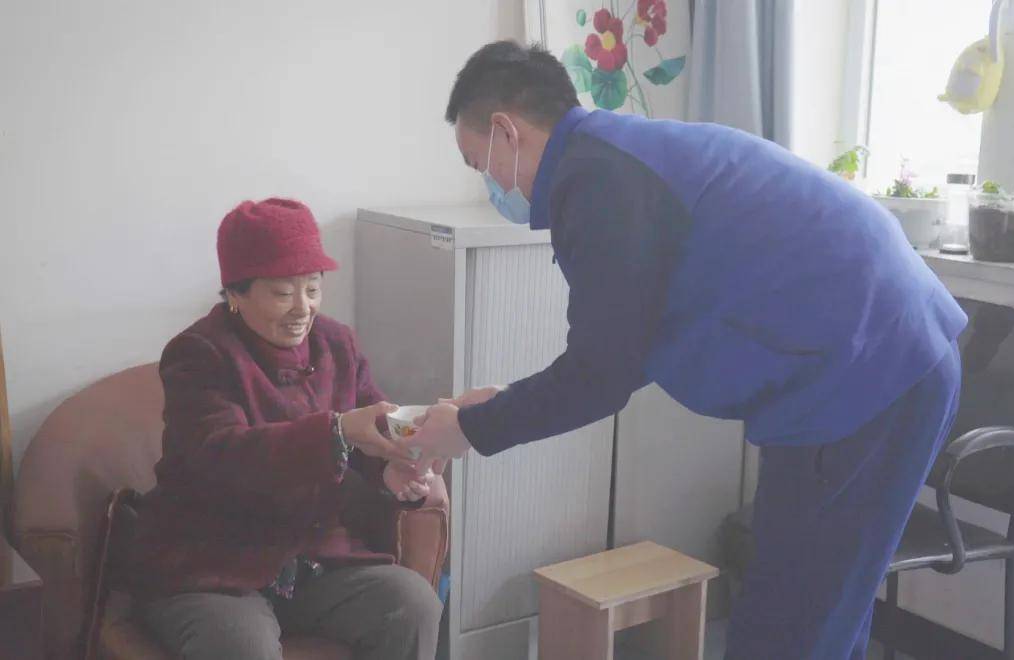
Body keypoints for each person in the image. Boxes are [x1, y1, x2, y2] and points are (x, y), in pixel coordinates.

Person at [406, 41, 968, 660]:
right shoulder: (618, 156)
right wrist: (504, 403)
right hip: (882, 358)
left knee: (788, 630)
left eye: (477, 162)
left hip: (864, 375)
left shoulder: (598, 183)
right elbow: (628, 338)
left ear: (506, 132)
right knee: (823, 616)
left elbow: (600, 374)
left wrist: (471, 428)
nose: (488, 183)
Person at [127, 198, 442, 660]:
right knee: (240, 647)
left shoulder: (336, 343)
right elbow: (220, 453)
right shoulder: (198, 354)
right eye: (281, 293)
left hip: (312, 560)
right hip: (211, 565)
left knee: (412, 604)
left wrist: (395, 472)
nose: (303, 308)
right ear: (235, 294)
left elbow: (372, 431)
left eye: (313, 288)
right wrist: (336, 432)